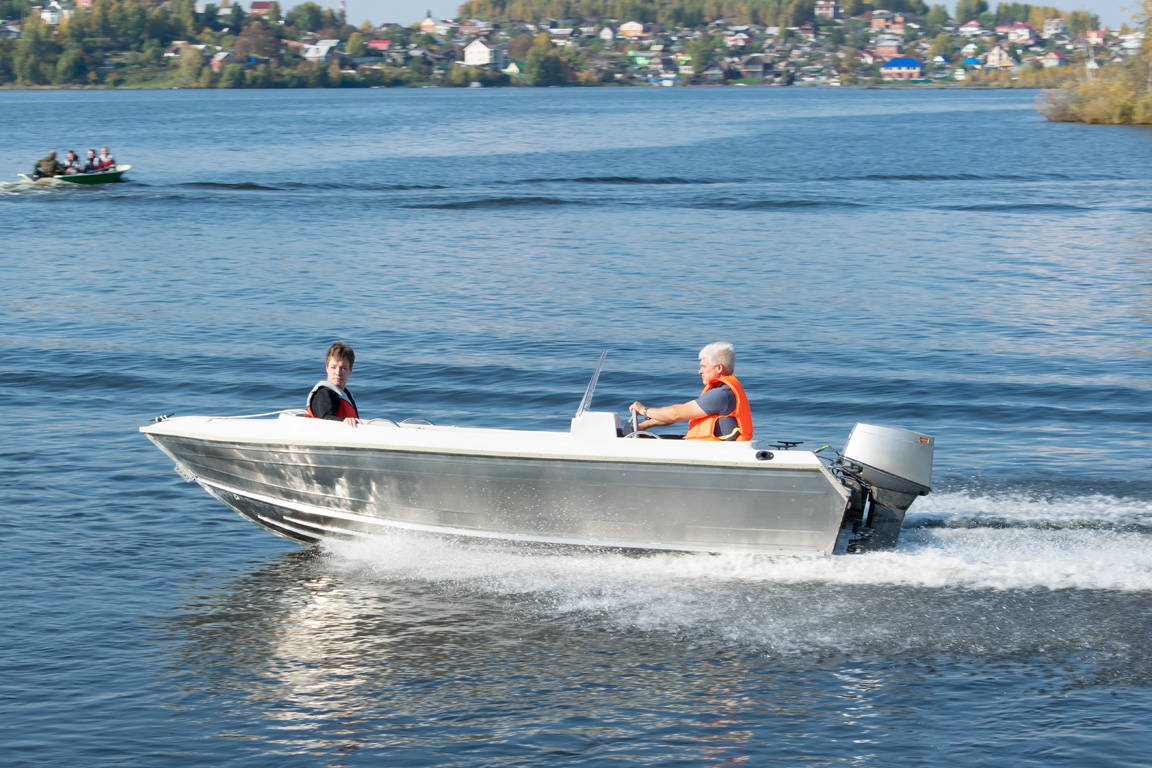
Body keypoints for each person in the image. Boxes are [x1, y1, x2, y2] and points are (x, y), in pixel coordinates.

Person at [629, 342, 753, 441]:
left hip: (717, 453)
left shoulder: (721, 395)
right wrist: (645, 425)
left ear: (719, 368)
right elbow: (679, 413)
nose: (700, 371)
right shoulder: (722, 391)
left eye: (704, 366)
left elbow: (675, 414)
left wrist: (644, 410)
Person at [305, 341, 362, 427]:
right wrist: (344, 420)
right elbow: (325, 418)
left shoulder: (344, 394)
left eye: (343, 368)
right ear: (327, 368)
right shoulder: (324, 394)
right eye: (333, 367)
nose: (338, 372)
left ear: (350, 370)